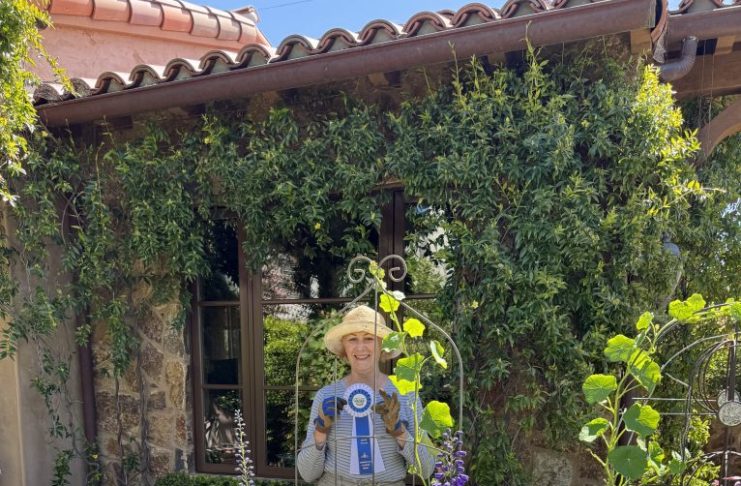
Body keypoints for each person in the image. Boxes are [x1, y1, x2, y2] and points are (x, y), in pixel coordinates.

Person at [297, 305, 434, 485]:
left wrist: (400, 432)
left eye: (369, 338)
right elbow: (307, 474)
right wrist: (320, 432)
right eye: (352, 339)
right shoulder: (327, 396)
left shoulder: (406, 394)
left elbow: (427, 469)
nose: (360, 347)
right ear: (344, 347)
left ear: (382, 345)